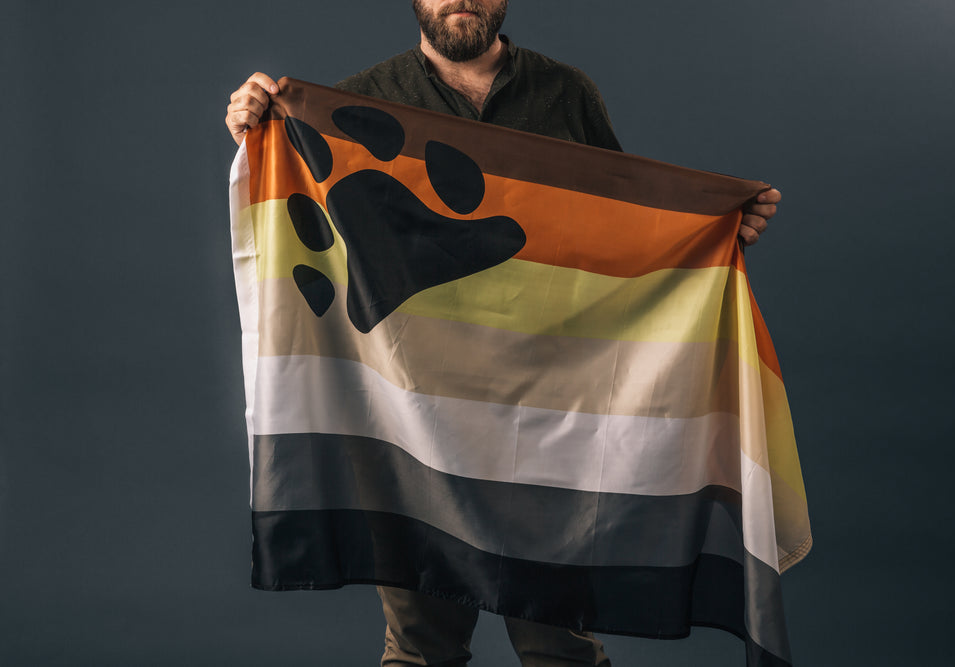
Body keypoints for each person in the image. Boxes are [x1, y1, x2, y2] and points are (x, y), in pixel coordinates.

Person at [225, 2, 781, 665]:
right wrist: (259, 129)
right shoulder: (358, 103)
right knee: (421, 645)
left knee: (560, 641)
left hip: (543, 430)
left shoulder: (566, 95)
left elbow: (623, 240)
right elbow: (298, 191)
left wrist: (711, 232)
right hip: (415, 425)